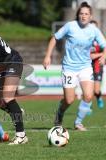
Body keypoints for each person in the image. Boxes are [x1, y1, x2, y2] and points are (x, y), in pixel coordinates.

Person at [43, 2, 106, 131]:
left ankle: (78, 123)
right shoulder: (70, 26)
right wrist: (47, 56)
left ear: (90, 16)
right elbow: (54, 38)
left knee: (88, 96)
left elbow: (105, 45)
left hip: (85, 67)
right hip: (69, 68)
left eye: (86, 14)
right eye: (81, 13)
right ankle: (59, 114)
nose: (84, 16)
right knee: (69, 100)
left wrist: (104, 56)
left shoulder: (94, 30)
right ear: (78, 15)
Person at [90, 20, 104, 109]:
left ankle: (99, 97)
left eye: (94, 27)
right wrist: (101, 54)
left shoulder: (101, 39)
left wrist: (100, 55)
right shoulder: (85, 39)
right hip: (86, 67)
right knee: (88, 90)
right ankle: (87, 107)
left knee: (96, 90)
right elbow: (89, 56)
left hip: (97, 66)